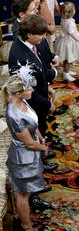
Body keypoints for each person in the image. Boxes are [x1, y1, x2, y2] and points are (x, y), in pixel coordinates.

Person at [8, 15, 57, 199]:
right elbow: (27, 92)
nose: (43, 37)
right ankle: (34, 192)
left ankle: (41, 166)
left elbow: (37, 77)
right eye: (41, 34)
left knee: (40, 135)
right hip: (29, 110)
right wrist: (48, 104)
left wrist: (47, 88)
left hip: (38, 105)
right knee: (31, 149)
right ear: (29, 34)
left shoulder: (29, 46)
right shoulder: (19, 57)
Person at [3, 71, 48, 231]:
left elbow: (32, 122)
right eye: (29, 88)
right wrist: (44, 148)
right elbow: (29, 143)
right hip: (24, 158)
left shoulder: (21, 101)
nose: (32, 91)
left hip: (30, 151)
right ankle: (26, 226)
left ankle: (19, 212)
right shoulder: (14, 115)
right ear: (19, 93)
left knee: (22, 191)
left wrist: (40, 136)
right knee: (23, 194)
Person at [54, 1, 79, 82]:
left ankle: (67, 71)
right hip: (70, 42)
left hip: (64, 39)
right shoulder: (70, 23)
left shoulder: (63, 18)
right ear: (71, 12)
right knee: (69, 59)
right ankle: (66, 73)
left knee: (67, 58)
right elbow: (72, 33)